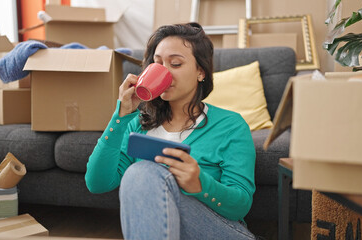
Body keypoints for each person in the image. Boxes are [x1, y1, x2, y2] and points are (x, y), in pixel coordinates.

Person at [85, 22, 258, 240]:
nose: (163, 72)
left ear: (200, 72)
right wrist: (120, 117)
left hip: (222, 231)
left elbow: (241, 206)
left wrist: (200, 184)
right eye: (157, 64)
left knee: (143, 172)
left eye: (175, 64)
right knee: (140, 174)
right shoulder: (137, 124)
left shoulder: (231, 125)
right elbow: (97, 183)